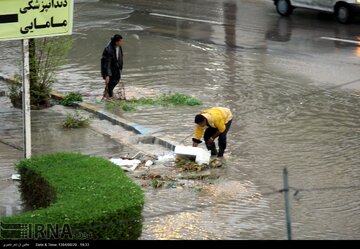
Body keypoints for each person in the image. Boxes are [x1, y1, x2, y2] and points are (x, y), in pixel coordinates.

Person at [101, 34, 124, 100]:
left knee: (116, 80)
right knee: (111, 83)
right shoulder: (108, 50)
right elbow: (106, 63)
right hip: (109, 69)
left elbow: (119, 55)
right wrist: (107, 75)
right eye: (121, 41)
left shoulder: (118, 46)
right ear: (116, 42)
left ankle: (107, 93)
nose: (122, 42)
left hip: (116, 67)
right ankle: (110, 97)